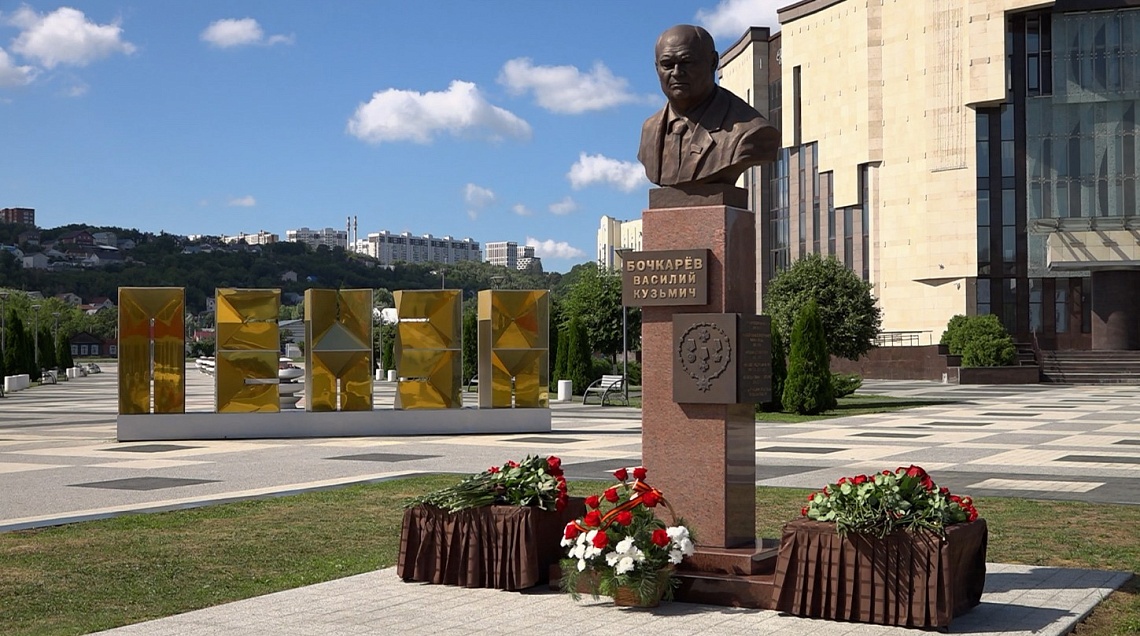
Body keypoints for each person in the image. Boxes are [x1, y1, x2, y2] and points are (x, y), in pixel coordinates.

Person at [638, 24, 780, 187]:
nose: (677, 72)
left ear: (713, 62)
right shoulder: (650, 130)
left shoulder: (749, 130)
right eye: (668, 64)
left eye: (687, 62)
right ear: (657, 68)